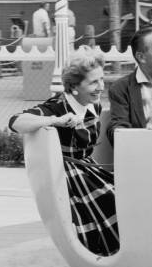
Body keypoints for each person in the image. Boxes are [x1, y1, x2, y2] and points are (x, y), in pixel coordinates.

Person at [9, 46, 118, 256]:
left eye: (102, 79)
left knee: (125, 195)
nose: (101, 87)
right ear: (74, 86)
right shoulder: (57, 106)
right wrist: (54, 121)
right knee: (109, 203)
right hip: (67, 177)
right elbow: (15, 121)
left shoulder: (92, 104)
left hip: (88, 169)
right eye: (94, 82)